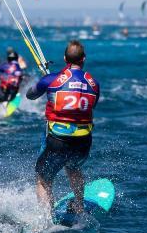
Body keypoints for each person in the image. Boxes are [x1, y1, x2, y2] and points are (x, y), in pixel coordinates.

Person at [26, 40, 100, 216]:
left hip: (58, 140)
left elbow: (30, 95)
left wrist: (46, 82)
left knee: (43, 180)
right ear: (84, 59)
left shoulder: (51, 80)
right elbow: (91, 105)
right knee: (73, 168)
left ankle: (46, 220)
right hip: (83, 141)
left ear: (65, 58)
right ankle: (79, 207)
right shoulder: (94, 83)